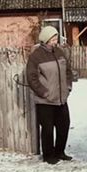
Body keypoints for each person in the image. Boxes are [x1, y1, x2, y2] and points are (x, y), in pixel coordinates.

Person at [27, 25, 73, 164]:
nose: (55, 41)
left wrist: (68, 86)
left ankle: (60, 152)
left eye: (56, 38)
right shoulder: (36, 56)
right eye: (53, 39)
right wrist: (44, 92)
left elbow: (68, 71)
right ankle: (48, 156)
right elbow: (31, 78)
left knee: (64, 125)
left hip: (61, 98)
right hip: (45, 100)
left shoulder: (59, 52)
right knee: (47, 129)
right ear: (45, 40)